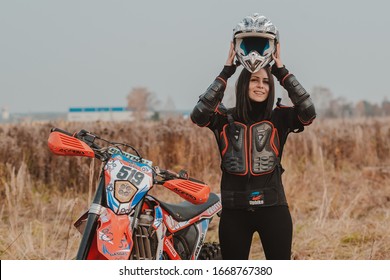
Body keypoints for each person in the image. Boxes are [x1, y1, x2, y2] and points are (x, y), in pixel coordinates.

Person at [190, 13, 316, 260]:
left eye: (266, 83)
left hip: (273, 210)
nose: (260, 86)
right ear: (243, 85)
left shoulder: (279, 119)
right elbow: (199, 115)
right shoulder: (225, 119)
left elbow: (308, 112)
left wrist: (281, 72)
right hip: (234, 213)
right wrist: (226, 72)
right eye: (254, 81)